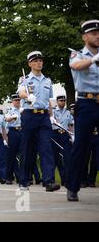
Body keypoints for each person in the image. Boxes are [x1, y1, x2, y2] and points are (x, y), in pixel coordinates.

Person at [66, 19, 99, 201]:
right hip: (86, 104)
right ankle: (73, 187)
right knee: (81, 147)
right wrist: (93, 60)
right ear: (85, 36)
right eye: (94, 33)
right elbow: (76, 66)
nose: (98, 36)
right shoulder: (77, 55)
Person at [18, 51, 60, 192]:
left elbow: (48, 100)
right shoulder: (24, 79)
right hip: (29, 115)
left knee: (46, 148)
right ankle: (24, 181)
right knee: (28, 149)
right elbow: (21, 93)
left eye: (40, 60)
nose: (39, 63)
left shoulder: (47, 81)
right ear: (30, 63)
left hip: (43, 117)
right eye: (35, 61)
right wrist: (28, 97)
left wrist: (51, 115)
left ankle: (48, 181)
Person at [51, 95, 74, 186]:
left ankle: (66, 180)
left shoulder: (68, 112)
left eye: (64, 100)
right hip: (55, 135)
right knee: (54, 159)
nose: (63, 102)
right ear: (57, 102)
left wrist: (72, 135)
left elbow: (71, 125)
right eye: (61, 100)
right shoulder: (52, 112)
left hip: (65, 134)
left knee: (67, 158)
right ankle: (51, 180)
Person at [4, 94, 22, 185]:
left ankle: (23, 177)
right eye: (15, 100)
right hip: (13, 132)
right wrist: (13, 117)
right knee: (12, 155)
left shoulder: (23, 110)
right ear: (12, 101)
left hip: (22, 132)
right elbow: (6, 118)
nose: (17, 102)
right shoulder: (10, 110)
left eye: (18, 100)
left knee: (24, 155)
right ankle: (9, 177)